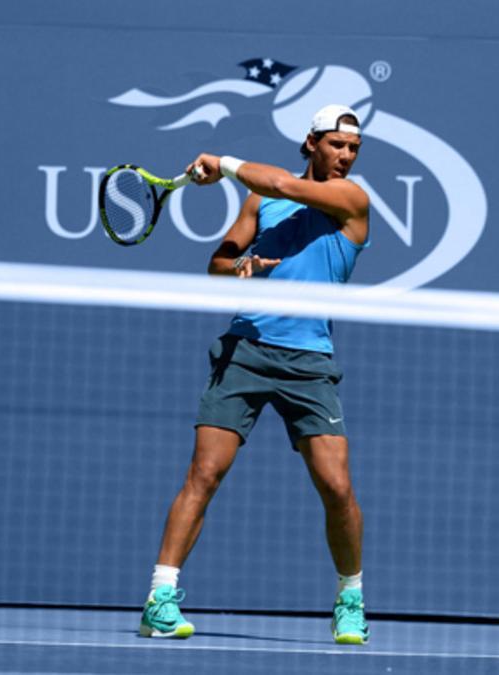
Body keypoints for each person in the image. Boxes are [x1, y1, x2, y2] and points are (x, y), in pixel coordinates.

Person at [138, 104, 371, 645]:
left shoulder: (351, 201)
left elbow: (286, 187)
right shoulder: (258, 200)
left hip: (309, 361)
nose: (346, 157)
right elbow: (218, 265)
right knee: (204, 474)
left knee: (337, 487)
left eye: (354, 149)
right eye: (337, 145)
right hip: (245, 351)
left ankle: (350, 597)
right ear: (312, 141)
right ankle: (160, 598)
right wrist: (240, 267)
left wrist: (222, 161)